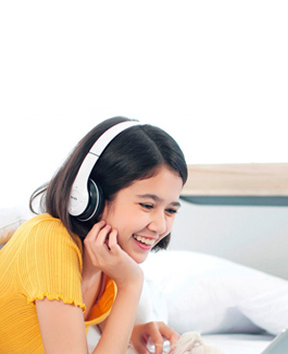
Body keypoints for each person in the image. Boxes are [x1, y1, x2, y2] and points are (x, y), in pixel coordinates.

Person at [0, 116, 187, 354]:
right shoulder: (49, 241)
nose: (160, 225)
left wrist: (134, 330)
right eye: (147, 205)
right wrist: (131, 284)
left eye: (170, 210)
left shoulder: (107, 259)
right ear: (91, 196)